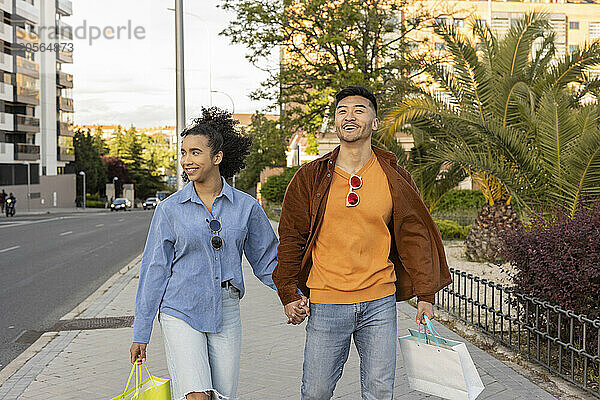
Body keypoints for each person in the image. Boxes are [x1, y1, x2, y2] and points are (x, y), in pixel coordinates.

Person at [273, 86, 452, 400]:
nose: (349, 116)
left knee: (380, 391)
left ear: (374, 122)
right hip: (327, 300)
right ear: (336, 123)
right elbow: (291, 238)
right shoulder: (310, 177)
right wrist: (288, 293)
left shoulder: (393, 176)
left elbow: (414, 237)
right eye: (342, 111)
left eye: (359, 109)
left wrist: (426, 294)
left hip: (379, 301)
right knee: (315, 392)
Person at [130, 107, 279, 400]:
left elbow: (268, 260)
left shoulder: (246, 207)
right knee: (197, 396)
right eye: (183, 153)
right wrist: (141, 330)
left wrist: (295, 295)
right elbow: (154, 270)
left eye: (195, 152)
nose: (186, 160)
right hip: (180, 308)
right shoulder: (169, 209)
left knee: (221, 395)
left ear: (217, 158)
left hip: (227, 308)